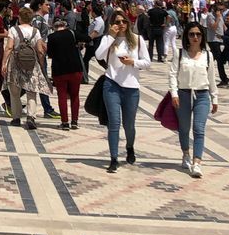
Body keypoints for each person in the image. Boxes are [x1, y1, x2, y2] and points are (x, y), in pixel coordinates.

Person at [96, 10, 151, 172]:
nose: (120, 25)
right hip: (111, 84)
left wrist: (133, 62)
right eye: (117, 22)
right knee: (114, 122)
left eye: (123, 22)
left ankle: (129, 146)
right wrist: (110, 37)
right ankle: (113, 158)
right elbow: (98, 55)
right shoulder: (108, 39)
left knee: (129, 125)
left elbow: (147, 62)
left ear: (128, 23)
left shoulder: (137, 39)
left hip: (131, 87)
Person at [168, 19, 218, 178]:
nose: (195, 37)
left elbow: (212, 78)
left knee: (199, 129)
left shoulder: (208, 56)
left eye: (198, 34)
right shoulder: (179, 53)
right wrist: (174, 94)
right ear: (187, 36)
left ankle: (197, 162)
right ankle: (186, 154)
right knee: (184, 128)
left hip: (202, 95)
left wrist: (215, 98)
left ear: (202, 36)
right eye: (191, 34)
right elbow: (172, 75)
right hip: (183, 94)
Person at [2, 6, 49, 130]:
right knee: (32, 91)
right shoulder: (36, 31)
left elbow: (9, 47)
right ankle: (31, 116)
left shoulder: (13, 29)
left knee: (14, 91)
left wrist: (4, 63)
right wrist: (42, 63)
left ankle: (16, 117)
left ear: (20, 17)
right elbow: (40, 50)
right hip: (31, 64)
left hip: (15, 63)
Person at [46, 17, 84, 129]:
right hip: (75, 68)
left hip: (59, 70)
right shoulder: (72, 33)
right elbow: (87, 37)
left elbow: (50, 54)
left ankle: (65, 122)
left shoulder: (52, 37)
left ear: (54, 26)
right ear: (65, 25)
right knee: (75, 95)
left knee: (62, 96)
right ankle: (74, 121)